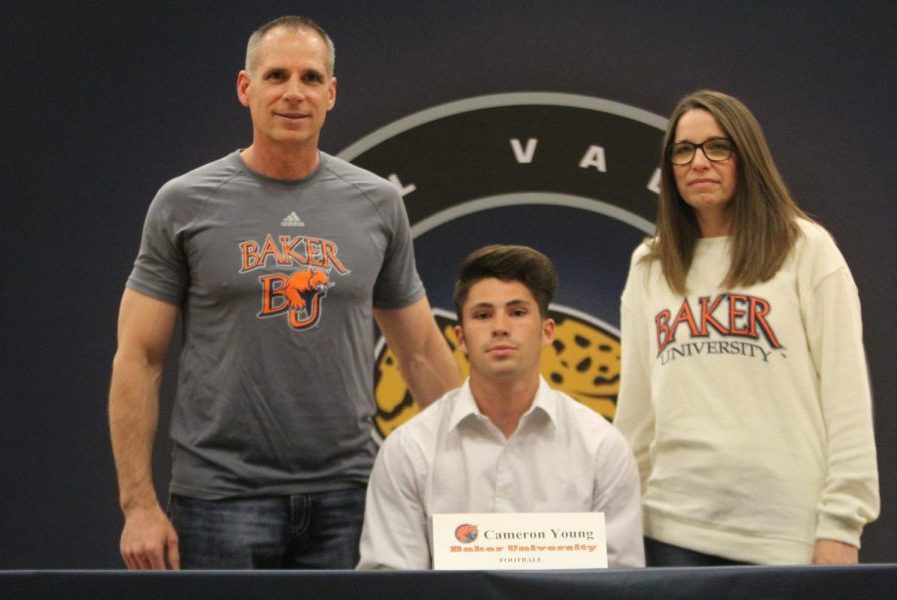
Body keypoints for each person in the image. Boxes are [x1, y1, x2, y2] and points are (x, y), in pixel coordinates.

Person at [108, 15, 461, 570]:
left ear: (332, 93)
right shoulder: (184, 202)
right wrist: (138, 505)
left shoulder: (377, 203)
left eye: (311, 78)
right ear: (246, 87)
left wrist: (460, 483)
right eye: (276, 76)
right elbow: (140, 357)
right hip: (220, 499)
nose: (294, 93)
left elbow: (418, 352)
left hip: (350, 496)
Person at [614, 90, 879, 566]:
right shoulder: (649, 265)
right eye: (683, 150)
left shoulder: (804, 249)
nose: (699, 162)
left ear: (746, 156)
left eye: (718, 147)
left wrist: (843, 523)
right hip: (671, 529)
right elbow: (635, 414)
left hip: (783, 534)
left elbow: (846, 398)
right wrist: (619, 523)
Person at [357, 245, 645, 569]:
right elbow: (392, 585)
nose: (500, 327)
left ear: (546, 331)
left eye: (518, 312)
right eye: (482, 315)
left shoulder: (602, 448)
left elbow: (622, 583)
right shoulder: (409, 450)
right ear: (460, 338)